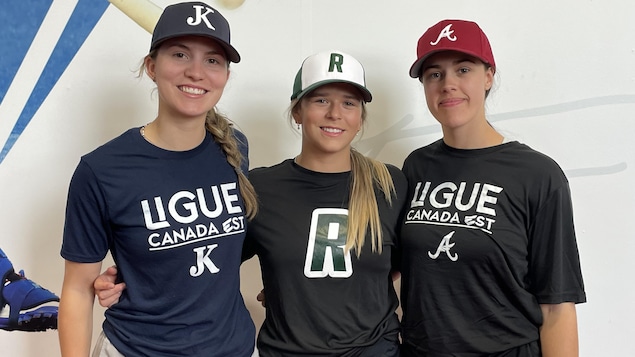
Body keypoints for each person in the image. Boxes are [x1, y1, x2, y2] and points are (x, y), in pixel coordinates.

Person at [95, 50, 408, 356]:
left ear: (360, 117)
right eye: (321, 100)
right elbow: (209, 254)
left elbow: (398, 266)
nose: (335, 114)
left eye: (349, 103)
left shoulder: (390, 184)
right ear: (297, 112)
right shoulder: (260, 187)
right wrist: (130, 276)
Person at [58, 2, 258, 356]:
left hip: (234, 348)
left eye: (212, 60)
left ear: (226, 75)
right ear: (152, 66)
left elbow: (217, 248)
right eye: (180, 54)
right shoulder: (101, 170)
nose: (196, 72)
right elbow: (76, 291)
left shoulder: (234, 147)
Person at [398, 19, 586, 356]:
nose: (448, 84)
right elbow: (389, 264)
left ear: (488, 76)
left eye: (463, 69)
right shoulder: (416, 167)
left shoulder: (537, 175)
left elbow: (557, 305)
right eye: (434, 74)